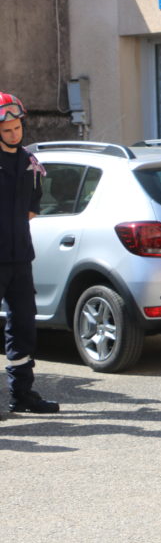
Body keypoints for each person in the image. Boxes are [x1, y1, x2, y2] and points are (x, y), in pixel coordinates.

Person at [0, 92, 60, 415]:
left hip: (21, 259)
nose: (14, 134)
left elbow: (32, 208)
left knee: (23, 325)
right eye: (7, 130)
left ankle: (21, 394)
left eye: (17, 128)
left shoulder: (30, 163)